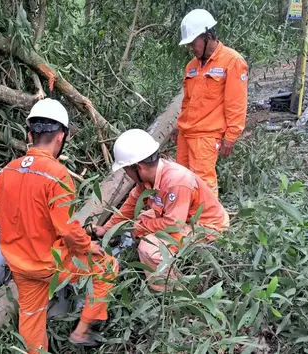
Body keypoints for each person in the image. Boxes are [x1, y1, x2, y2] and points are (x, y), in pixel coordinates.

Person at [0, 98, 119, 353]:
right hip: (50, 264)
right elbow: (67, 229)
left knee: (31, 315)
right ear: (61, 136)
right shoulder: (57, 174)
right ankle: (81, 332)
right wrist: (89, 247)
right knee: (107, 268)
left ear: (29, 134)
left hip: (19, 265)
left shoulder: (7, 171)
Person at [92, 129, 229, 291]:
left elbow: (173, 224)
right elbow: (131, 205)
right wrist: (106, 229)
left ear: (137, 167)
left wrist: (142, 226)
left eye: (126, 169)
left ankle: (171, 291)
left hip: (205, 225)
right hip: (181, 216)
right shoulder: (149, 177)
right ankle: (159, 266)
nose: (126, 174)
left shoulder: (175, 181)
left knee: (148, 248)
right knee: (142, 219)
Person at [170, 9, 249, 196]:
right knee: (182, 179)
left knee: (203, 183)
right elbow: (187, 101)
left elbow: (236, 103)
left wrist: (231, 136)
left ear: (207, 36)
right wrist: (178, 126)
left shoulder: (232, 61)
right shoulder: (192, 66)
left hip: (206, 135)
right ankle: (186, 217)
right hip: (186, 133)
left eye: (193, 43)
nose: (191, 48)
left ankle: (209, 223)